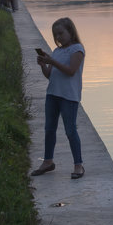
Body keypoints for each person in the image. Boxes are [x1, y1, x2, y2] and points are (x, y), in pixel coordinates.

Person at [30, 17, 86, 179]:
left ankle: (78, 165)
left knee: (70, 131)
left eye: (61, 33)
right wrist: (44, 65)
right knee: (49, 129)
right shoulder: (57, 51)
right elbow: (50, 76)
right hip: (52, 94)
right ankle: (48, 162)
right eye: (56, 34)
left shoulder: (77, 49)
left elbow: (71, 71)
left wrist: (52, 61)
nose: (58, 37)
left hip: (68, 96)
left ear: (71, 31)